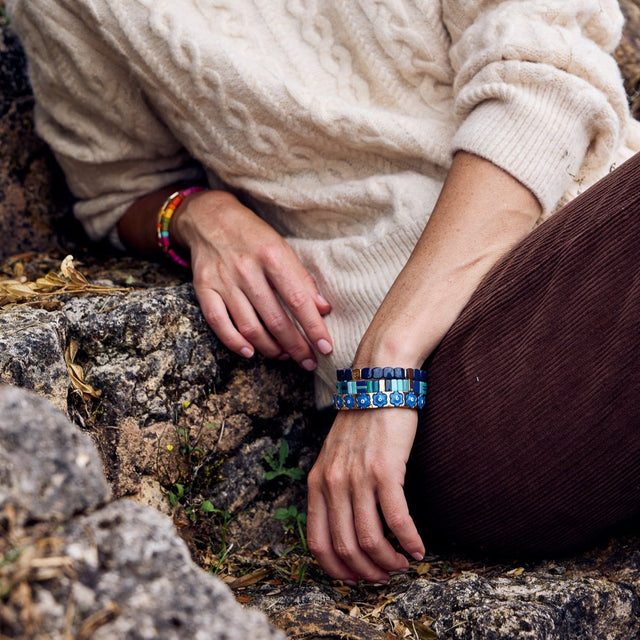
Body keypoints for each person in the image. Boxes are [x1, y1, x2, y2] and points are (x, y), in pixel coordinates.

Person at [8, 0, 640, 585]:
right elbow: (115, 188)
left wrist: (386, 357)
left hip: (575, 260)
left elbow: (545, 81)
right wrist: (200, 216)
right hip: (465, 392)